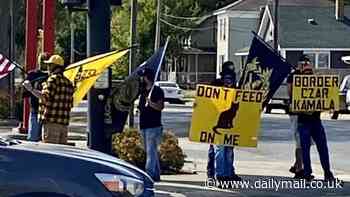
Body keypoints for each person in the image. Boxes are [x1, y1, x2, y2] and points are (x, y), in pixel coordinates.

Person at [291, 55, 336, 182]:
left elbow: (326, 98)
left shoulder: (318, 82)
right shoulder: (297, 83)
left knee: (323, 148)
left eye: (309, 70)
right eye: (305, 69)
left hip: (316, 121)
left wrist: (330, 105)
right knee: (305, 149)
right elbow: (293, 102)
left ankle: (327, 173)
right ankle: (307, 173)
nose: (308, 73)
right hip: (303, 121)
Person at [23, 55, 74, 144]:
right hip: (64, 124)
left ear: (54, 66)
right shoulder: (68, 82)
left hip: (51, 123)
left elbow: (44, 97)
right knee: (62, 154)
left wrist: (30, 89)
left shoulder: (52, 80)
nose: (48, 67)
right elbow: (71, 103)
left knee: (51, 153)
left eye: (49, 65)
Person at [207, 61, 241, 181]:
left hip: (229, 127)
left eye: (231, 77)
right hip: (217, 120)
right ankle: (219, 174)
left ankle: (229, 173)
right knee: (218, 149)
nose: (229, 80)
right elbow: (206, 100)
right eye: (227, 77)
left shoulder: (236, 88)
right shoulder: (215, 84)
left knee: (229, 150)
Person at [138, 68, 164, 182]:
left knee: (150, 152)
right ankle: (156, 175)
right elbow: (141, 106)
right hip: (143, 124)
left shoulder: (157, 91)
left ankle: (148, 176)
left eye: (143, 77)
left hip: (153, 126)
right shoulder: (143, 91)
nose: (141, 79)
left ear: (147, 78)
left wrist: (151, 103)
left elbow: (160, 107)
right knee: (150, 151)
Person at [23, 53, 48, 142]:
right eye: (41, 60)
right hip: (35, 110)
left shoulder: (52, 76)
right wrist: (27, 85)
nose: (42, 63)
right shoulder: (32, 74)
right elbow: (25, 93)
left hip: (48, 112)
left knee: (47, 141)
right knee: (32, 140)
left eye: (45, 61)